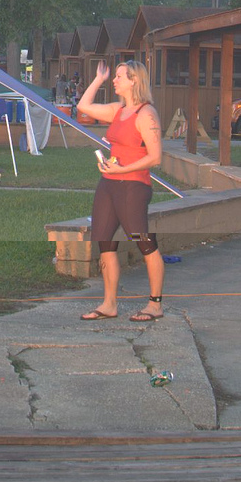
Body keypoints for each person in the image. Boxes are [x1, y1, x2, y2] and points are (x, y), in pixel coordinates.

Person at [77, 59, 165, 322]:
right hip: (109, 183)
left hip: (133, 186)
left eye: (119, 76)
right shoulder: (118, 110)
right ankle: (109, 304)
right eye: (114, 76)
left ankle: (155, 304)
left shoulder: (146, 114)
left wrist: (122, 170)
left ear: (134, 80)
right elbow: (83, 107)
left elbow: (155, 157)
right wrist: (98, 79)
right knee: (105, 242)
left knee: (144, 242)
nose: (114, 80)